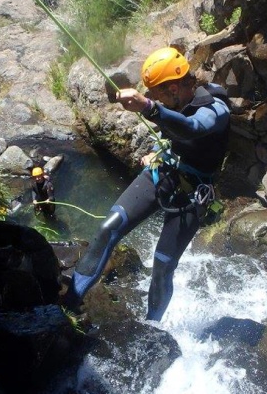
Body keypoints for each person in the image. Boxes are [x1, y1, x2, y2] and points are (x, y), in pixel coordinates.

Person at [64, 46, 230, 321]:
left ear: (174, 89)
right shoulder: (175, 100)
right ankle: (69, 304)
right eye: (151, 95)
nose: (154, 97)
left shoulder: (216, 108)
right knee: (109, 227)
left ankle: (151, 329)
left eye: (157, 93)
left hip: (192, 192)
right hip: (164, 171)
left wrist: (148, 107)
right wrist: (158, 147)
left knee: (163, 265)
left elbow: (193, 128)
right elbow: (172, 131)